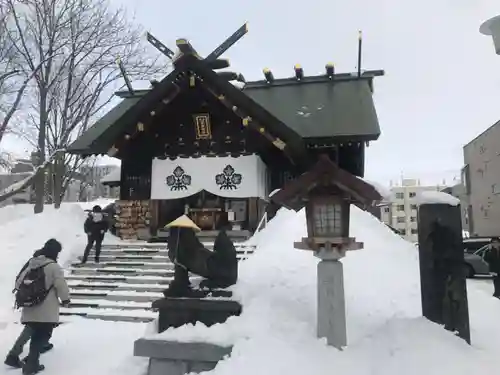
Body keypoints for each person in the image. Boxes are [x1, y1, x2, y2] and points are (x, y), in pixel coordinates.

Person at [10, 239, 70, 375]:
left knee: (34, 331)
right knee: (42, 335)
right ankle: (31, 365)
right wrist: (66, 300)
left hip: (30, 306)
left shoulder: (32, 264)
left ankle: (26, 360)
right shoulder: (53, 266)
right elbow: (61, 285)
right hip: (46, 309)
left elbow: (19, 282)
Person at [4, 250, 54, 369]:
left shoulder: (31, 264)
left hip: (29, 300)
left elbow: (18, 282)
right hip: (43, 302)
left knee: (32, 326)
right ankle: (30, 355)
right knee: (42, 325)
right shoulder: (48, 264)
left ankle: (16, 353)